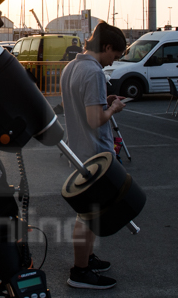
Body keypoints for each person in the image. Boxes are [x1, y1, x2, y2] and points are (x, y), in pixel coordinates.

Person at [60, 22, 127, 289]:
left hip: (77, 149)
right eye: (115, 55)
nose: (114, 61)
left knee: (89, 213)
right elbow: (95, 119)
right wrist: (114, 109)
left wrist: (104, 101)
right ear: (107, 47)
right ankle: (80, 271)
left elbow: (80, 106)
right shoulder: (94, 72)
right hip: (95, 153)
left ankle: (87, 259)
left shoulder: (71, 67)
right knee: (87, 215)